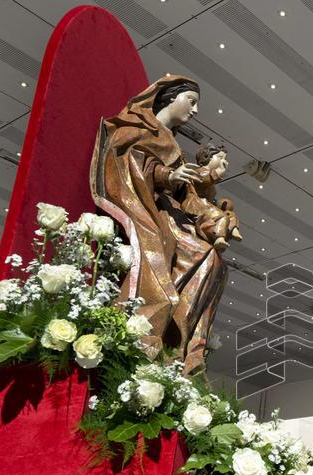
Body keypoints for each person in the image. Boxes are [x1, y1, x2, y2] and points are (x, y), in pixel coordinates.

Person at [91, 75, 239, 374]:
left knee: (218, 266)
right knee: (200, 255)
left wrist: (215, 218)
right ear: (170, 97)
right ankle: (163, 337)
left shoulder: (175, 145)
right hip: (149, 210)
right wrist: (166, 176)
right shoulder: (136, 128)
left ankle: (187, 351)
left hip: (172, 214)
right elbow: (125, 163)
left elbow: (188, 196)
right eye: (191, 101)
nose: (195, 111)